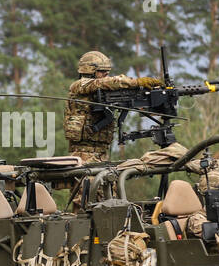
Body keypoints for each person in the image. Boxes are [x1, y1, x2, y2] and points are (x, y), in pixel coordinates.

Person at [64, 51, 162, 207]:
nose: (106, 75)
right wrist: (137, 82)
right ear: (89, 71)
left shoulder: (98, 91)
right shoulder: (81, 85)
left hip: (101, 154)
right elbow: (106, 83)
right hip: (83, 155)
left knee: (110, 198)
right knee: (85, 199)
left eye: (107, 72)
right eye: (102, 71)